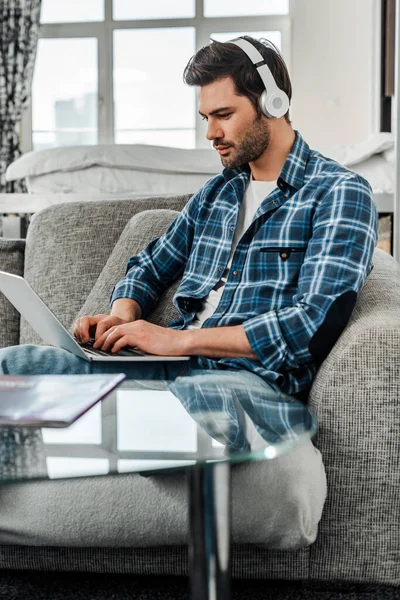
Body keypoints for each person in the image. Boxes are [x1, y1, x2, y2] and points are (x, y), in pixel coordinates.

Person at [0, 36, 377, 441]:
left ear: (274, 104)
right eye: (206, 118)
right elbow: (148, 266)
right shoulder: (218, 193)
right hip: (167, 368)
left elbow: (311, 326)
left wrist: (176, 340)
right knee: (13, 368)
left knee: (149, 425)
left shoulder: (339, 192)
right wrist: (122, 316)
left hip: (241, 385)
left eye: (224, 114)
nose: (211, 133)